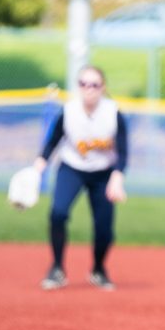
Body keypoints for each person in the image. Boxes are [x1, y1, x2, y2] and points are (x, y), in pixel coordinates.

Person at [33, 65, 128, 291]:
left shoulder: (113, 113)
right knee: (58, 213)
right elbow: (53, 140)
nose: (89, 89)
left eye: (94, 84)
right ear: (78, 87)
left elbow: (123, 151)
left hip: (103, 172)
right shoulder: (69, 111)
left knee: (104, 229)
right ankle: (57, 268)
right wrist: (40, 162)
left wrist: (117, 176)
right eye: (83, 84)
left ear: (103, 87)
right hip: (72, 168)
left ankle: (98, 269)